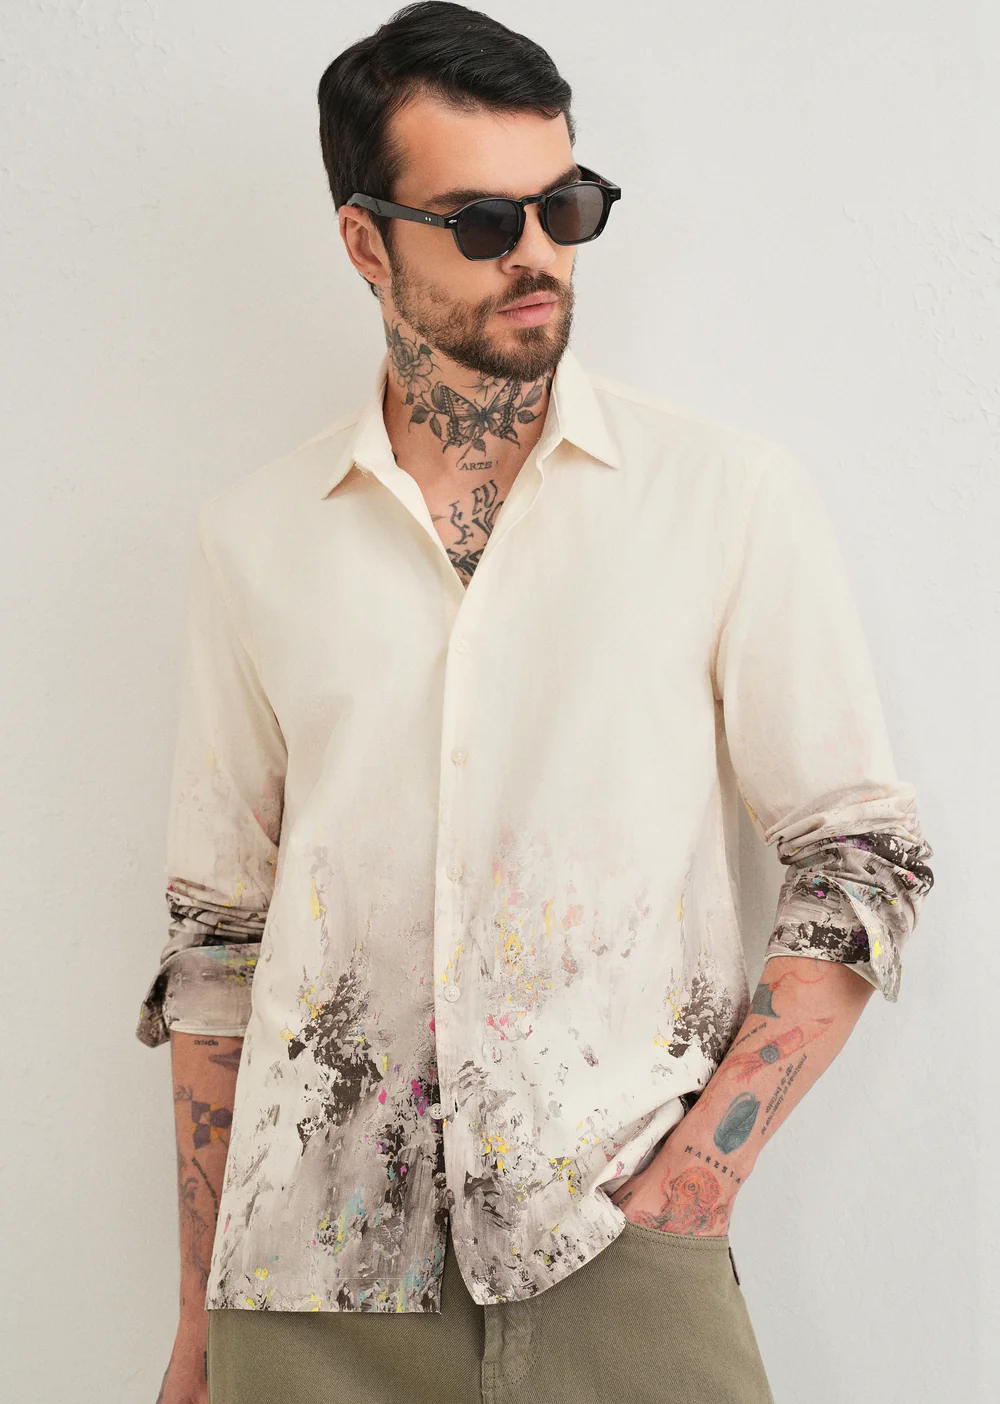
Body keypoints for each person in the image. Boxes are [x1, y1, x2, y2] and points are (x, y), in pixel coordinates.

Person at [141, 5, 935, 1403]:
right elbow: (218, 945)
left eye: (564, 206)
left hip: (616, 1254)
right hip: (312, 1285)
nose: (538, 255)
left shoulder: (724, 501)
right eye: (480, 220)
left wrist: (694, 1187)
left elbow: (861, 860)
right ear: (364, 243)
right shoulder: (254, 538)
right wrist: (202, 1316)